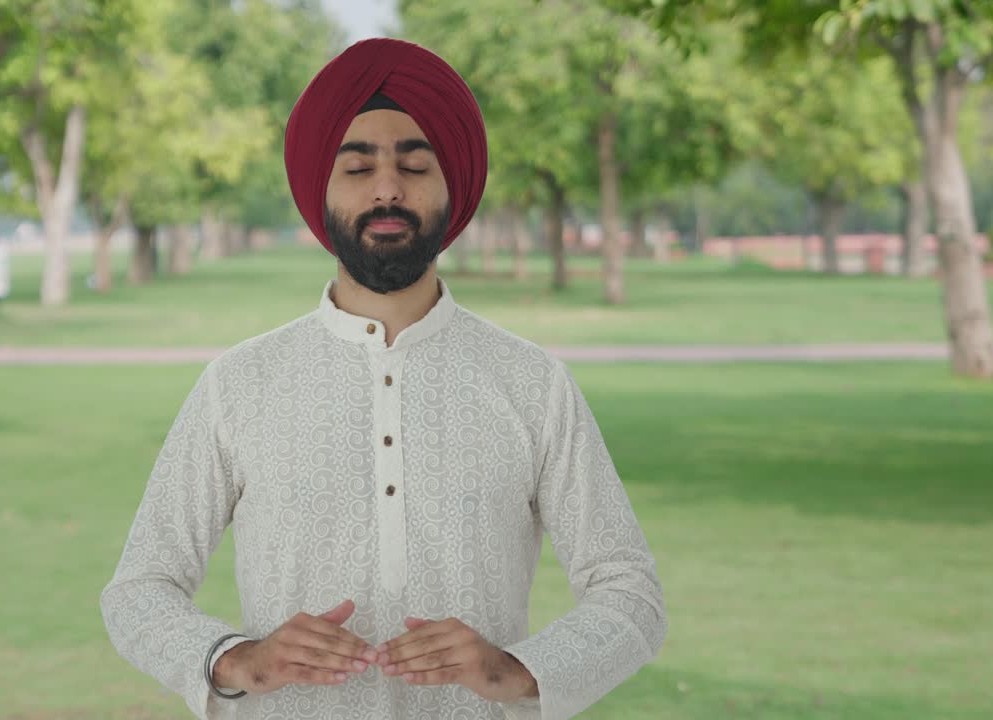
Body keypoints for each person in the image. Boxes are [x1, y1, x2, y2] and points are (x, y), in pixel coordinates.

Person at [100, 37, 667, 720]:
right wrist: (235, 659)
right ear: (323, 188)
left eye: (415, 165)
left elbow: (628, 591)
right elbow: (139, 588)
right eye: (358, 166)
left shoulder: (531, 384)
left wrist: (516, 669)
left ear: (451, 184)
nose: (388, 188)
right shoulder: (240, 385)